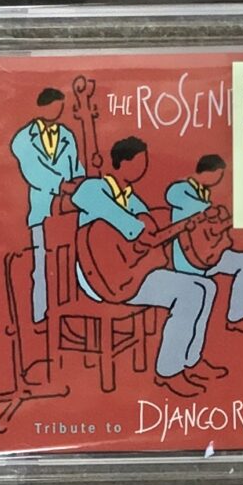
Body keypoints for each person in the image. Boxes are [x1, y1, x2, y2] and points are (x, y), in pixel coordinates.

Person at [72, 136, 218, 403]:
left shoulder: (134, 200)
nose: (144, 168)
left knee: (207, 285)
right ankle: (168, 371)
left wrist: (173, 228)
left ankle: (190, 360)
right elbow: (131, 228)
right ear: (123, 163)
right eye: (140, 163)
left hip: (133, 272)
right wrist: (137, 229)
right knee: (189, 293)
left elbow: (149, 235)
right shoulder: (92, 188)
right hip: (103, 278)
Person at [164, 155, 243, 336]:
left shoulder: (204, 193)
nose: (220, 179)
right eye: (219, 175)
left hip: (209, 253)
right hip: (190, 259)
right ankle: (237, 318)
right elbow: (173, 197)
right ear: (210, 172)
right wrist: (208, 210)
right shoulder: (181, 189)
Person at [9, 89, 83, 325]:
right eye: (54, 106)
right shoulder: (23, 139)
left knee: (70, 264)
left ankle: (68, 317)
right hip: (42, 213)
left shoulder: (67, 135)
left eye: (61, 106)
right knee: (42, 265)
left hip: (68, 212)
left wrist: (81, 183)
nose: (58, 111)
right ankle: (41, 317)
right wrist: (61, 185)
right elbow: (33, 172)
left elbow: (77, 167)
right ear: (42, 107)